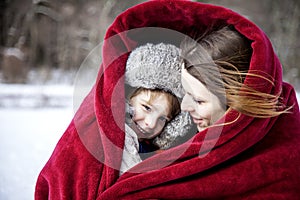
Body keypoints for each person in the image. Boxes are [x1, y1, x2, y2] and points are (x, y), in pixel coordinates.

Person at [35, 1, 300, 199]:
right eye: (185, 95)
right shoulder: (123, 123)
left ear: (236, 100)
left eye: (199, 101)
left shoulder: (281, 163)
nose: (184, 108)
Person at [120, 42, 191, 175]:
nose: (151, 124)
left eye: (162, 118)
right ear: (128, 96)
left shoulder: (155, 152)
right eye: (147, 108)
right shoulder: (119, 141)